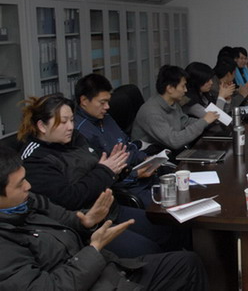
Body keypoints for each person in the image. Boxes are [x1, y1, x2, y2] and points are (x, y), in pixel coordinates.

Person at [0, 146, 206, 290]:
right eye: (19, 184)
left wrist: (86, 221)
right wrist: (94, 249)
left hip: (101, 271)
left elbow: (64, 217)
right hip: (90, 277)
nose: (28, 186)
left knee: (187, 263)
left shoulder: (27, 201)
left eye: (25, 179)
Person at [18, 94, 187, 258]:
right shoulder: (34, 159)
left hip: (110, 209)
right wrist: (106, 170)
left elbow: (100, 166)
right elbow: (70, 198)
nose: (70, 127)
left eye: (72, 120)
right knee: (149, 250)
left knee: (170, 228)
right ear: (42, 126)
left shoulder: (74, 138)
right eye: (63, 122)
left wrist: (120, 169)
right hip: (85, 226)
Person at [74, 73, 157, 208]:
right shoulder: (79, 132)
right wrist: (135, 175)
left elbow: (127, 145)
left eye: (108, 101)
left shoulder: (105, 118)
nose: (107, 107)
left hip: (145, 179)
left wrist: (145, 158)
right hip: (127, 189)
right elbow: (99, 176)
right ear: (84, 100)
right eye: (102, 102)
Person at [132, 65, 219, 152]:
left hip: (168, 151)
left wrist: (208, 121)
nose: (186, 90)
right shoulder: (151, 112)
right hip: (151, 156)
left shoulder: (172, 103)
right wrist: (204, 121)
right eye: (183, 86)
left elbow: (184, 122)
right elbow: (174, 141)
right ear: (170, 88)